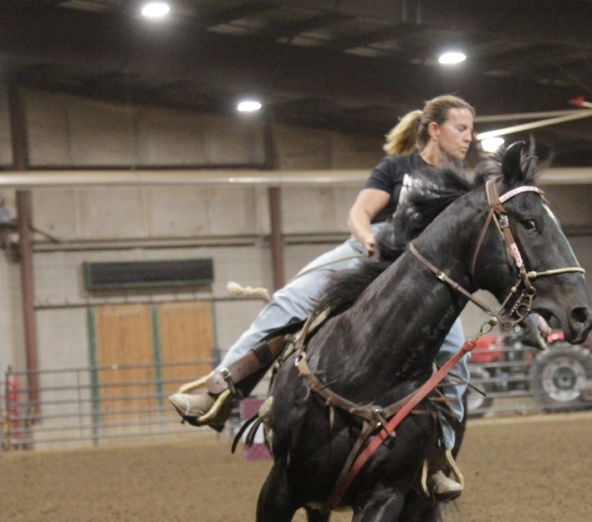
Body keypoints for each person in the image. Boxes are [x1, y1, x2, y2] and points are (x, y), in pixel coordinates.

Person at [169, 95, 476, 500]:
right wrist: (367, 238)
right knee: (288, 302)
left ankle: (438, 458)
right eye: (461, 128)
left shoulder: (460, 188)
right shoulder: (396, 168)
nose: (469, 137)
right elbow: (358, 215)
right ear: (434, 130)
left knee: (458, 355)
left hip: (420, 273)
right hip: (372, 249)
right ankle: (218, 393)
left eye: (471, 130)